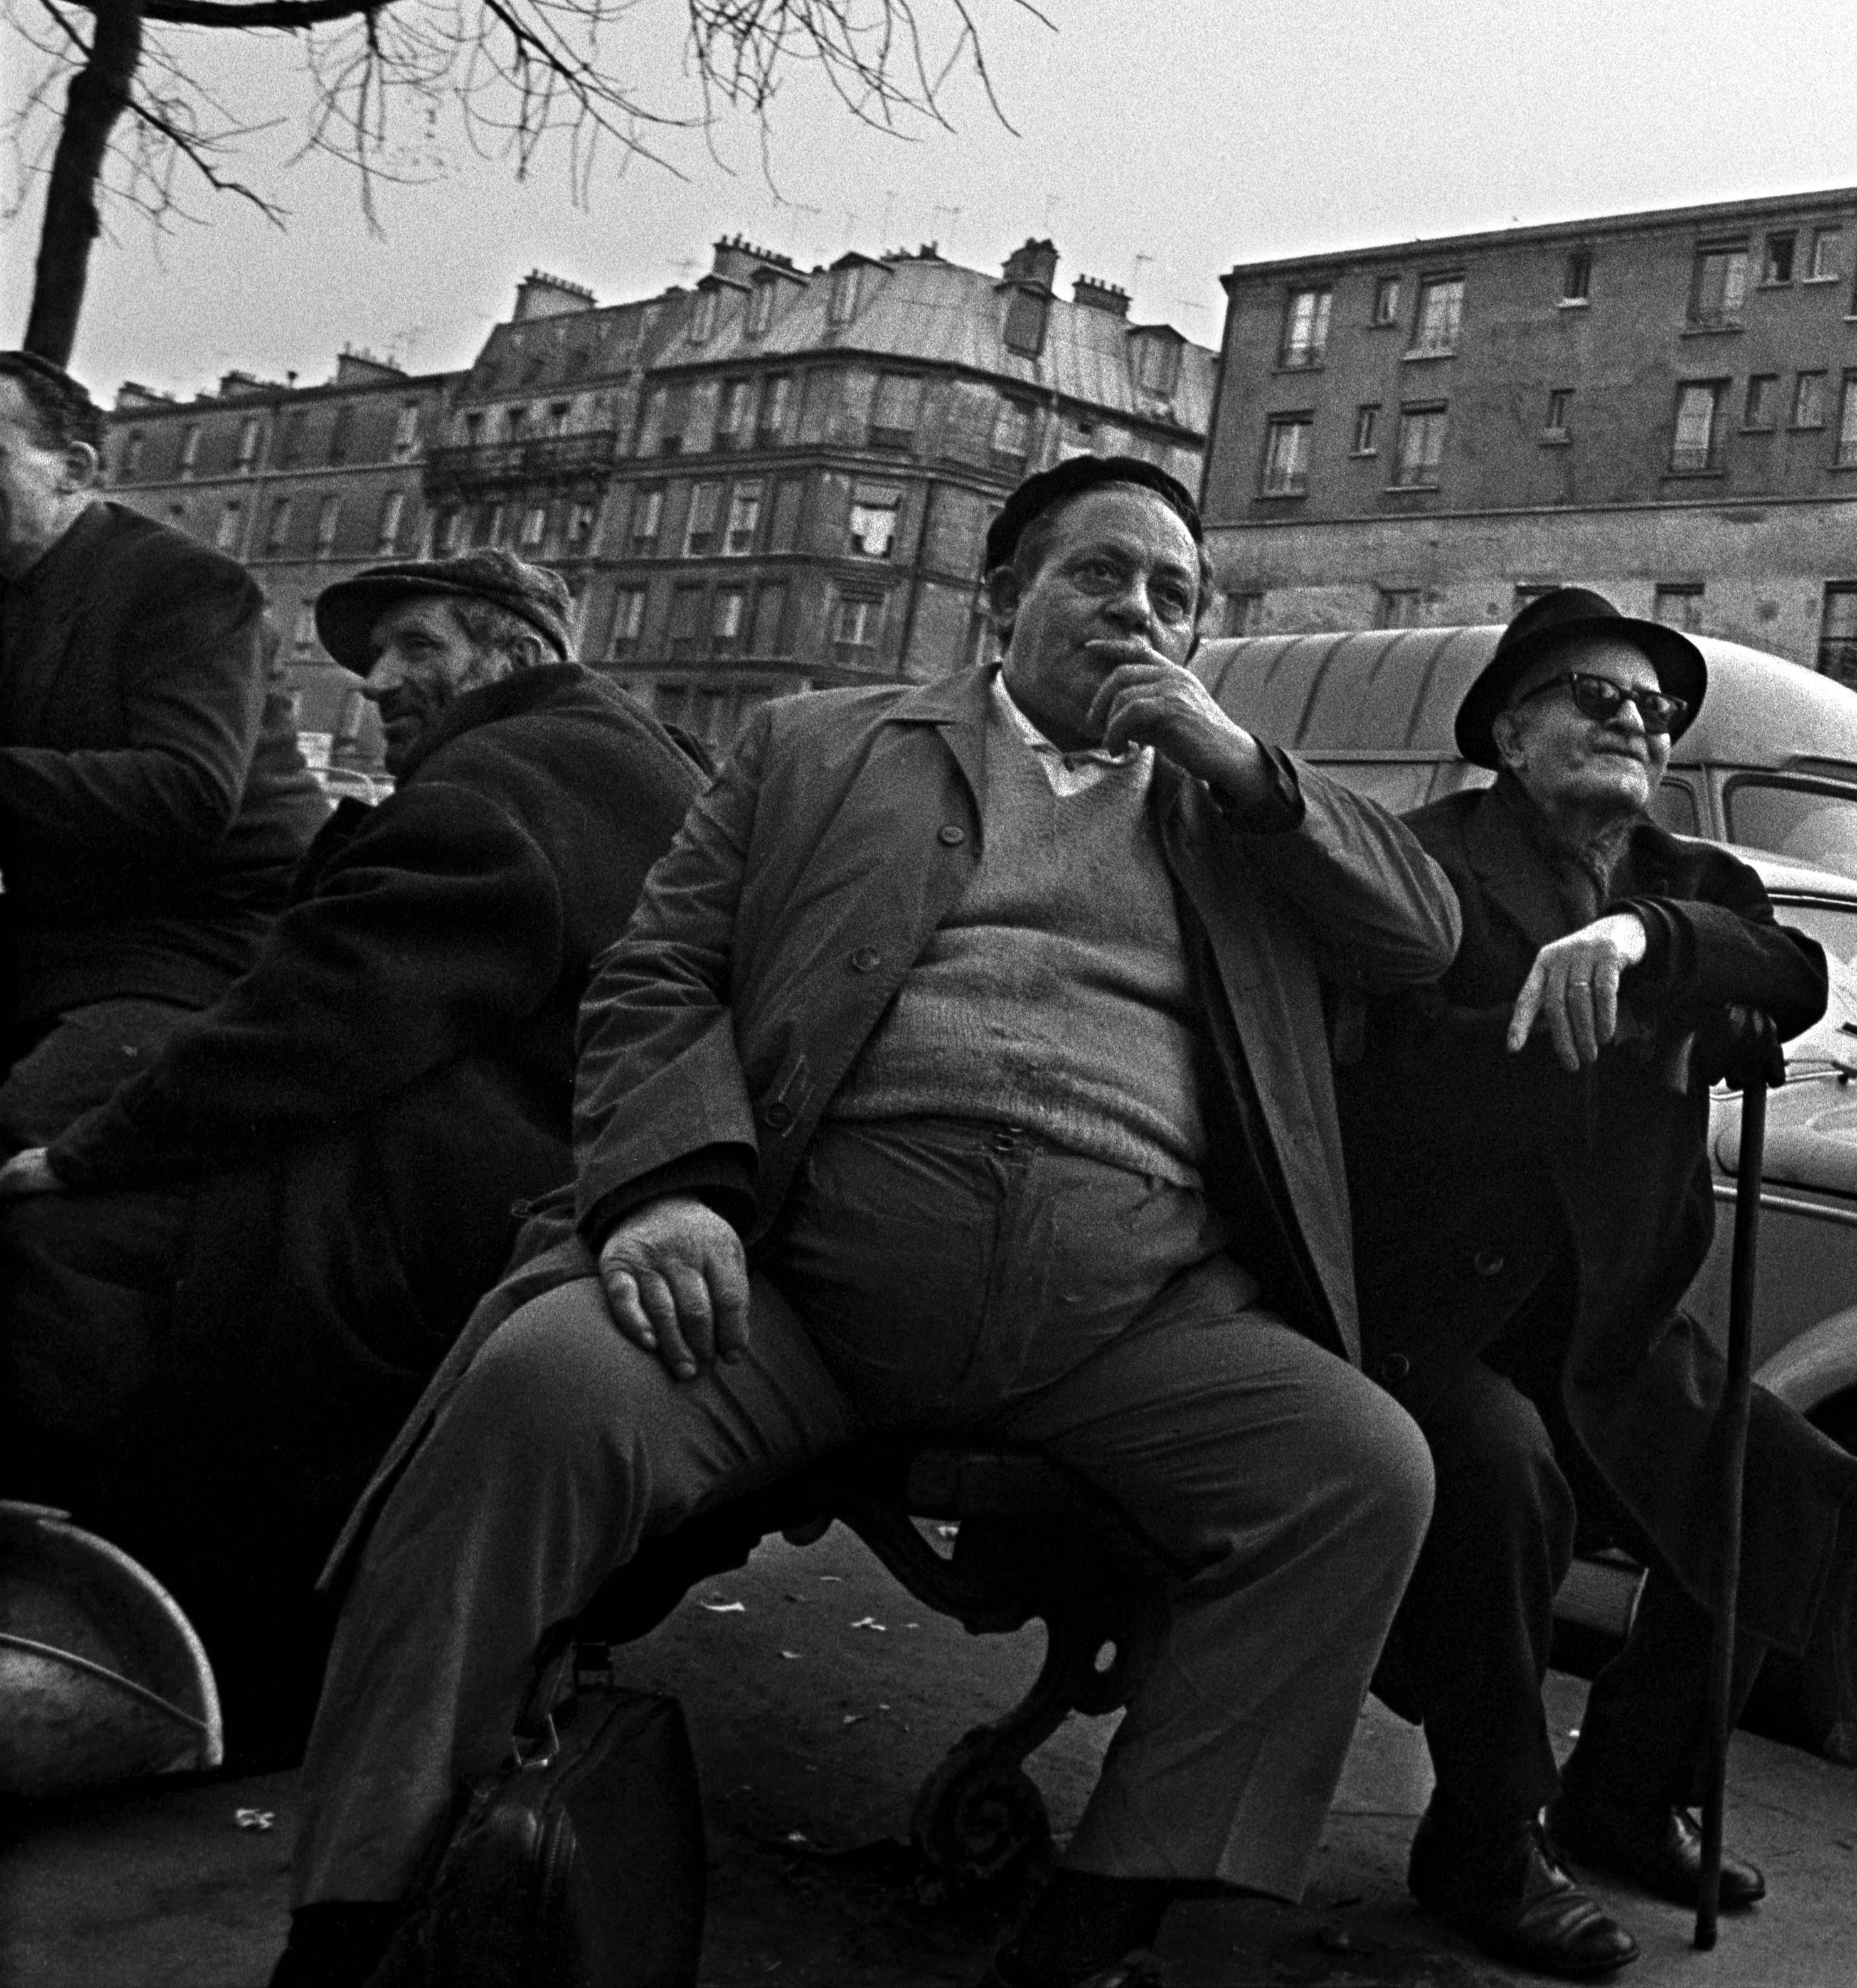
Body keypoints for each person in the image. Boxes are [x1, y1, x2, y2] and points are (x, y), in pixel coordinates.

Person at [267, 459, 1459, 1988]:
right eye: (1104, 575)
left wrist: (1244, 764)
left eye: (1178, 594)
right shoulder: (819, 746)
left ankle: (1117, 1927)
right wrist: (671, 1190)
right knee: (540, 1392)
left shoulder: (1237, 812)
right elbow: (657, 975)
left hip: (1129, 1321)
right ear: (1004, 598)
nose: (1144, 614)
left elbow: (1420, 938)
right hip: (797, 1285)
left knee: (1361, 1471)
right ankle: (363, 1909)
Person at [0, 548, 705, 1762]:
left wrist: (87, 1153)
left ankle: (158, 1631)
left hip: (467, 1202)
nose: (378, 679)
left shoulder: (500, 781)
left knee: (64, 1248)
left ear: (516, 651)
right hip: (559, 1160)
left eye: (416, 645)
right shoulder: (605, 753)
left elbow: (321, 1019)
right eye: (376, 655)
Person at [1343, 588, 1856, 1978]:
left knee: (1781, 1480)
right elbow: (1393, 1060)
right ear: (1511, 732)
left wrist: (1648, 951)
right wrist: (1616, 1036)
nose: (1634, 719)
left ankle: (1631, 1789)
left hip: (1610, 1321)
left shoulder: (1696, 881)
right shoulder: (1423, 863)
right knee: (1504, 1479)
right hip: (1444, 1316)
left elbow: (1795, 974)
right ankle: (1485, 1835)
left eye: (1655, 708)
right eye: (1594, 694)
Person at [0, 348, 322, 1146]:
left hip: (208, 944)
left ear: (72, 470)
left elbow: (186, 793)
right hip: (62, 936)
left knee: (24, 1123)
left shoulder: (184, 585)